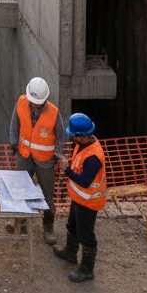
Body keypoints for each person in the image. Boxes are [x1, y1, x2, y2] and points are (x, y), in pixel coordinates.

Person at [10, 76, 66, 244]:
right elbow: (14, 124)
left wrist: (58, 154)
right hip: (24, 155)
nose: (35, 104)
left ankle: (48, 227)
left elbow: (61, 136)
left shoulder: (54, 113)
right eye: (33, 101)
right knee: (21, 190)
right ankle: (21, 223)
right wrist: (13, 144)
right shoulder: (21, 102)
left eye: (38, 102)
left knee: (48, 194)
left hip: (45, 160)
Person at [54, 112, 106, 282]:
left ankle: (86, 270)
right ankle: (70, 253)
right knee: (73, 226)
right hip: (78, 198)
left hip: (88, 202)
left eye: (75, 136)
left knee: (87, 236)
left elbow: (84, 181)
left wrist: (66, 169)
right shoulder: (82, 144)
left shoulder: (93, 157)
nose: (72, 139)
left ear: (83, 136)